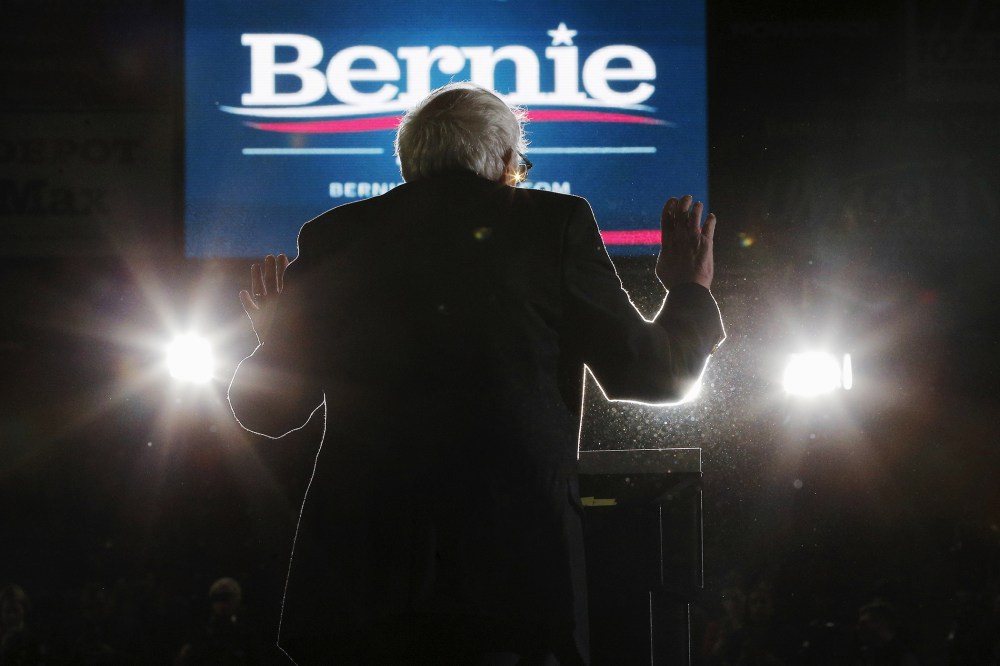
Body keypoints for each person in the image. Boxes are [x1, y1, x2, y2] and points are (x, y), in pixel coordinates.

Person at [228, 81, 724, 665]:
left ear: (413, 160)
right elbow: (654, 377)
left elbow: (268, 412)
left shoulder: (334, 235)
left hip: (360, 589)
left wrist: (277, 338)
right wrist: (689, 291)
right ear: (505, 159)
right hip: (509, 586)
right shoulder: (553, 223)